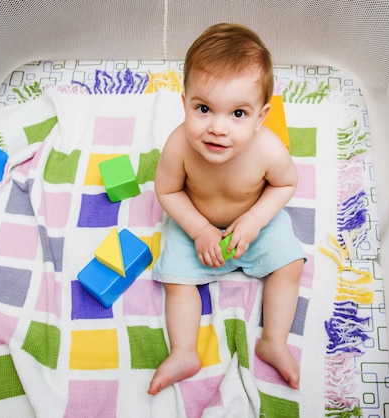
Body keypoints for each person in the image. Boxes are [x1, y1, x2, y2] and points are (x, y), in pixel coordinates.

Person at [148, 23, 306, 396]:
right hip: (195, 224)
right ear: (184, 101)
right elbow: (167, 192)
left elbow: (285, 184)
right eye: (203, 109)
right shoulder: (178, 146)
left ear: (261, 117)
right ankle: (185, 351)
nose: (217, 128)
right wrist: (199, 229)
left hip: (255, 223)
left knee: (290, 265)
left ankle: (274, 340)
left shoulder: (268, 149)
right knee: (176, 279)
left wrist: (254, 219)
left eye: (237, 114)